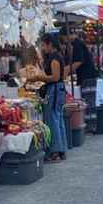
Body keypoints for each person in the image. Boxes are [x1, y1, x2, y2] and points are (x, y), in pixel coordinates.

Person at [29, 34, 68, 163]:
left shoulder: (55, 58)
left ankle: (55, 152)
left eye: (44, 45)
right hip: (58, 89)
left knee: (53, 120)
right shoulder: (54, 56)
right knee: (58, 119)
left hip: (55, 89)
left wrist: (39, 78)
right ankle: (61, 150)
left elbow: (55, 77)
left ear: (50, 44)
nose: (43, 48)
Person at [61, 28, 99, 131]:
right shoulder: (77, 43)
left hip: (87, 75)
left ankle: (90, 126)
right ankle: (90, 125)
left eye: (64, 38)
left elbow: (78, 62)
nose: (64, 41)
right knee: (88, 100)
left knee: (88, 101)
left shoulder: (77, 44)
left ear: (67, 36)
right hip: (87, 75)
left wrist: (66, 71)